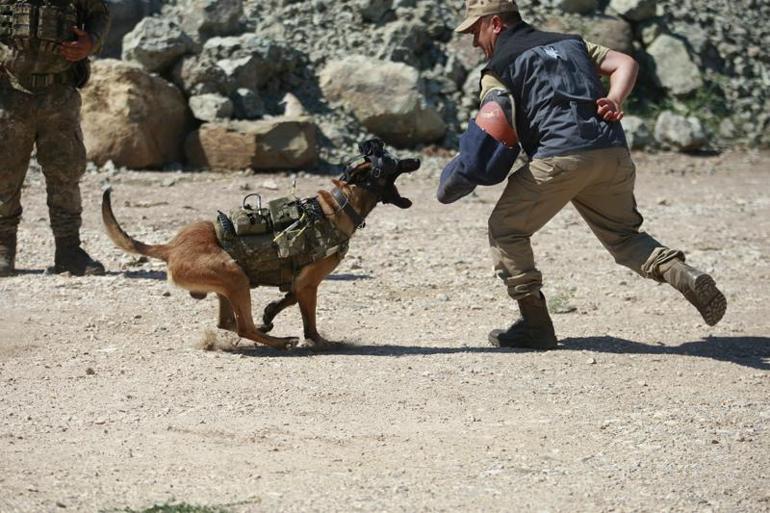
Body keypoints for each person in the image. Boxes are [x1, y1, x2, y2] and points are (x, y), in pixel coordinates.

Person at [438, 0, 726, 349]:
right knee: (624, 236)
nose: (473, 41)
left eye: (475, 30)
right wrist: (615, 98)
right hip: (611, 152)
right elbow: (625, 63)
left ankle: (536, 326)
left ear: (495, 23)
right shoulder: (570, 42)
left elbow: (494, 130)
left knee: (506, 229)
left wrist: (459, 174)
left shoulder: (498, 68)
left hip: (560, 158)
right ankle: (684, 275)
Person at [0, 0, 110, 277]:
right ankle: (3, 247)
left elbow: (100, 13)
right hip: (9, 91)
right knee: (3, 173)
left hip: (58, 93)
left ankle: (69, 250)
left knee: (65, 174)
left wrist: (91, 43)